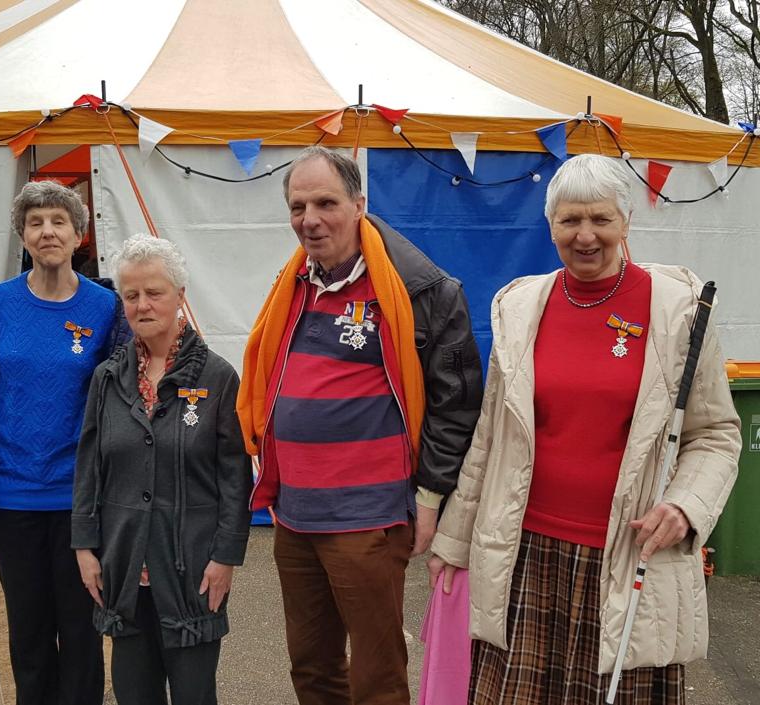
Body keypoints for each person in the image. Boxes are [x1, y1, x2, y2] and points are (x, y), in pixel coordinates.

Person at [428, 154, 742, 704]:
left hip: (626, 555)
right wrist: (453, 542)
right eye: (570, 220)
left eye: (601, 219)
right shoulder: (520, 306)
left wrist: (686, 506)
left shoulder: (679, 311)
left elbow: (715, 435)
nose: (586, 235)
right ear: (550, 226)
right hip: (524, 555)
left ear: (626, 221)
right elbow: (490, 436)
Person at [237, 145, 483, 705]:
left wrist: (429, 497)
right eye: (299, 206)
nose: (311, 219)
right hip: (295, 516)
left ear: (359, 204)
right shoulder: (291, 285)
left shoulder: (419, 290)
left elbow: (457, 404)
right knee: (312, 667)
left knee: (375, 676)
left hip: (367, 521)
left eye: (326, 202)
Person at [0, 180, 127, 705]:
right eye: (35, 222)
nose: (46, 231)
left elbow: (120, 404)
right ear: (22, 235)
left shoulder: (105, 309)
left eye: (58, 222)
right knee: (28, 632)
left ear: (78, 236)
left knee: (82, 630)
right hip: (11, 496)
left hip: (80, 499)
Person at [72, 234, 252, 705]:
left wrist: (226, 556)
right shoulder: (107, 380)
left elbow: (235, 477)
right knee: (134, 694)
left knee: (194, 695)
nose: (142, 305)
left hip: (192, 570)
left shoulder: (216, 378)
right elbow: (89, 466)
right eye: (131, 295)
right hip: (123, 564)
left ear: (180, 297)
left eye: (154, 292)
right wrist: (85, 547)